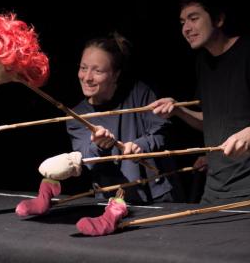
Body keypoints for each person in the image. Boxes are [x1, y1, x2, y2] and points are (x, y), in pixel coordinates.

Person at [151, 0, 250, 205]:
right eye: (183, 22)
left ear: (218, 19)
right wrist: (178, 110)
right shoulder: (203, 62)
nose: (186, 28)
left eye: (194, 18)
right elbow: (212, 123)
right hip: (216, 187)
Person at [66, 32, 182, 204]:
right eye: (83, 68)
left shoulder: (139, 93)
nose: (87, 77)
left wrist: (140, 146)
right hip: (111, 200)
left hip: (157, 196)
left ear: (115, 74)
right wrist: (98, 144)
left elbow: (162, 134)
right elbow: (85, 158)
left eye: (97, 70)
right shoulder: (77, 115)